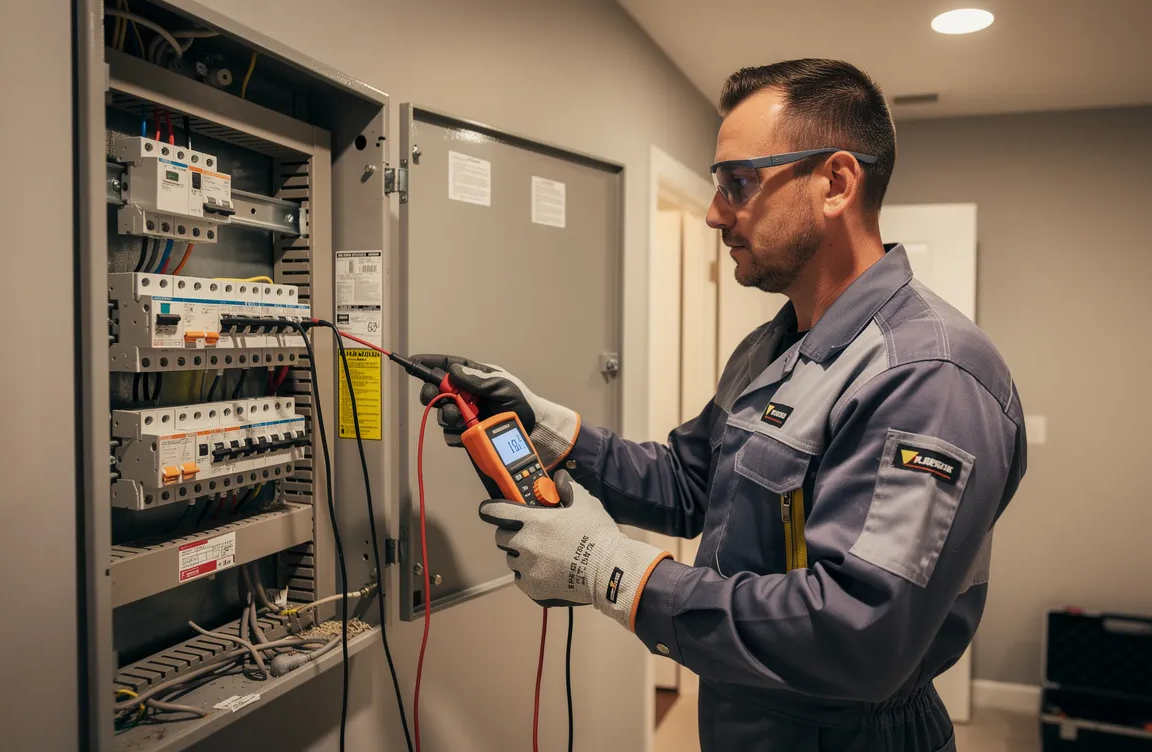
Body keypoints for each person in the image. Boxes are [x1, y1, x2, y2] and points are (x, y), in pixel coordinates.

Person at [413, 58, 1026, 752]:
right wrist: (547, 426)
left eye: (738, 183)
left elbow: (859, 634)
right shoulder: (773, 346)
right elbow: (691, 484)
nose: (713, 213)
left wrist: (607, 568)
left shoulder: (929, 375)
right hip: (749, 719)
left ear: (835, 182)